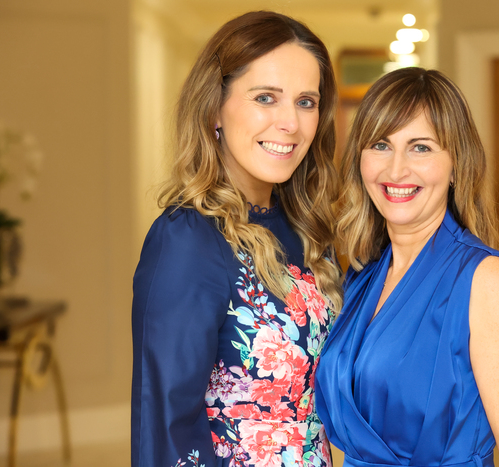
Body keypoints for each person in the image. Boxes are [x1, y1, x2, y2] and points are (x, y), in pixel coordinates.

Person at [131, 11, 343, 467]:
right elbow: (166, 428)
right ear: (215, 109)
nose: (290, 123)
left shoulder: (309, 232)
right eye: (266, 97)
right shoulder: (187, 238)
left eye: (306, 102)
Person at [315, 67, 499, 467]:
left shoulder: (485, 279)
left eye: (420, 148)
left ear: (456, 165)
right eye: (381, 145)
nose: (396, 170)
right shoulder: (362, 275)